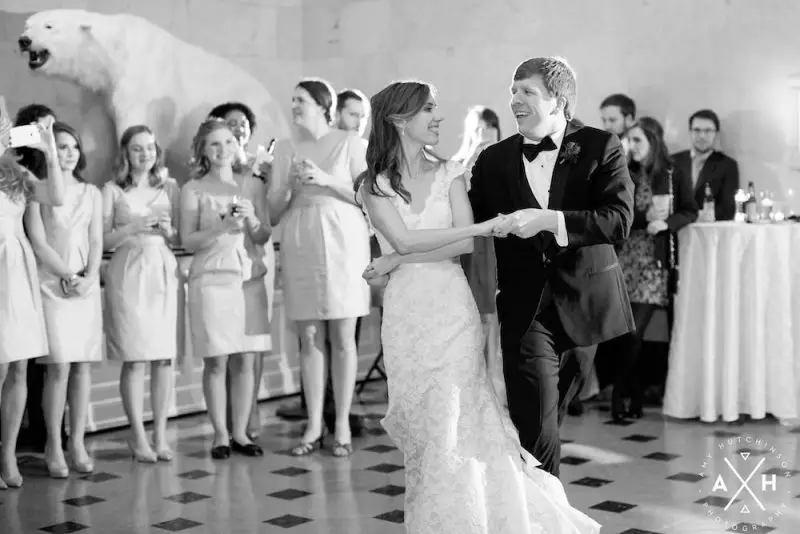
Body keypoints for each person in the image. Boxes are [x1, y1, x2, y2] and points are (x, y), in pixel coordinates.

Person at [359, 80, 600, 534]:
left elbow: (466, 242)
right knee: (424, 423)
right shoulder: (373, 185)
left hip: (451, 307)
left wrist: (397, 256)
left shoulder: (449, 172)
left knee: (460, 414)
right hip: (407, 312)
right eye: (427, 109)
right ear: (398, 120)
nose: (438, 117)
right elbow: (408, 238)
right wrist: (401, 253)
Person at [468, 57, 635, 477]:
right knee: (536, 421)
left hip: (586, 301)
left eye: (528, 92)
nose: (515, 100)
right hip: (525, 308)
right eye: (513, 90)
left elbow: (619, 220)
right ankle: (544, 515)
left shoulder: (600, 146)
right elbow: (466, 222)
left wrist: (551, 221)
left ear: (559, 101)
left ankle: (537, 498)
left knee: (551, 415)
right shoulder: (493, 160)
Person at [267, 79, 370, 457]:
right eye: (292, 99)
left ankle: (341, 422)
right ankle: (313, 424)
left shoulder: (350, 143)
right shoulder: (285, 149)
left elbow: (368, 196)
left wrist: (327, 179)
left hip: (344, 240)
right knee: (308, 335)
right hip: (301, 239)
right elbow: (274, 211)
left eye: (302, 100)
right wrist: (290, 187)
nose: (295, 105)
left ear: (324, 106)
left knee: (343, 335)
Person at [180, 118, 271, 460]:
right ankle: (219, 433)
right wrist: (221, 225)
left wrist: (252, 220)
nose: (223, 150)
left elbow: (263, 236)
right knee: (216, 362)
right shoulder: (193, 189)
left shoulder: (252, 184)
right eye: (214, 144)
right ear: (203, 150)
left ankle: (240, 433)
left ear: (238, 145)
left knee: (246, 360)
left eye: (229, 142)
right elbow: (187, 241)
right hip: (212, 280)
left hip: (249, 279)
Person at [26, 122, 103, 477]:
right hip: (51, 286)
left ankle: (78, 443)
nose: (69, 152)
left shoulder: (91, 192)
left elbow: (97, 241)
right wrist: (67, 275)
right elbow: (39, 243)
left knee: (82, 366)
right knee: (58, 368)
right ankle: (54, 445)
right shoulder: (37, 191)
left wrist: (89, 278)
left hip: (84, 289)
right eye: (60, 146)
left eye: (73, 146)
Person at [103, 125, 180, 463]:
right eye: (137, 148)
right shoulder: (112, 190)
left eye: (150, 146)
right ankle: (137, 435)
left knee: (163, 357)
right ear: (125, 153)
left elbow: (179, 238)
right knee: (134, 357)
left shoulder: (170, 187)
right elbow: (102, 240)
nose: (145, 153)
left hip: (162, 269)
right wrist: (131, 227)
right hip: (128, 270)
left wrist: (168, 231)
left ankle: (160, 434)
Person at [0, 106, 65, 489]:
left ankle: (7, 453)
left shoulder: (15, 173)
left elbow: (55, 196)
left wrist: (49, 150)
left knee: (19, 365)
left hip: (15, 266)